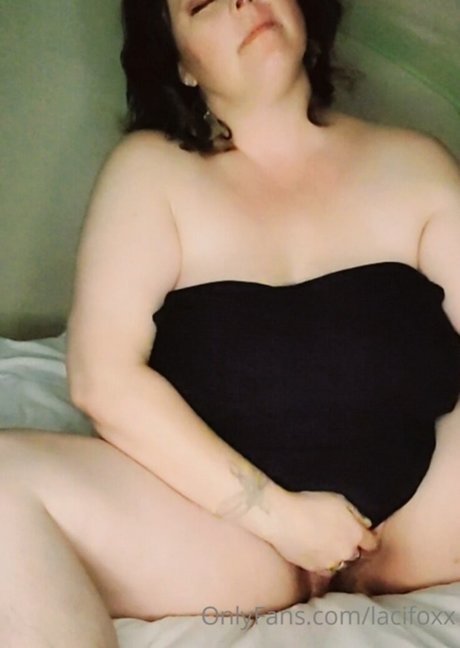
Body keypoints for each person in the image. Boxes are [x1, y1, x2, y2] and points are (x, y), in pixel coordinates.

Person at [1, 0, 459, 645]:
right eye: (203, 3)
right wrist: (281, 519)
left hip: (417, 528)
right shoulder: (151, 173)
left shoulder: (414, 163)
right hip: (227, 536)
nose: (242, 0)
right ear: (182, 65)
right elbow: (103, 379)